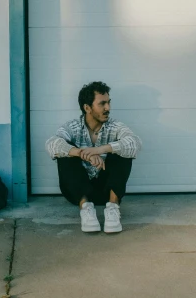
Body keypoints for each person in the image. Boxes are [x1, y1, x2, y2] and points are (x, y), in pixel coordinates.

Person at [45, 81, 142, 233]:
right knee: (65, 152)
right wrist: (82, 153)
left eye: (108, 103)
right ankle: (86, 209)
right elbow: (52, 144)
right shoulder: (72, 127)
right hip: (78, 191)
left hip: (106, 190)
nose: (108, 108)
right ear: (87, 108)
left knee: (123, 149)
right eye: (102, 104)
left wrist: (101, 149)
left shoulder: (114, 126)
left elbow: (135, 143)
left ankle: (112, 208)